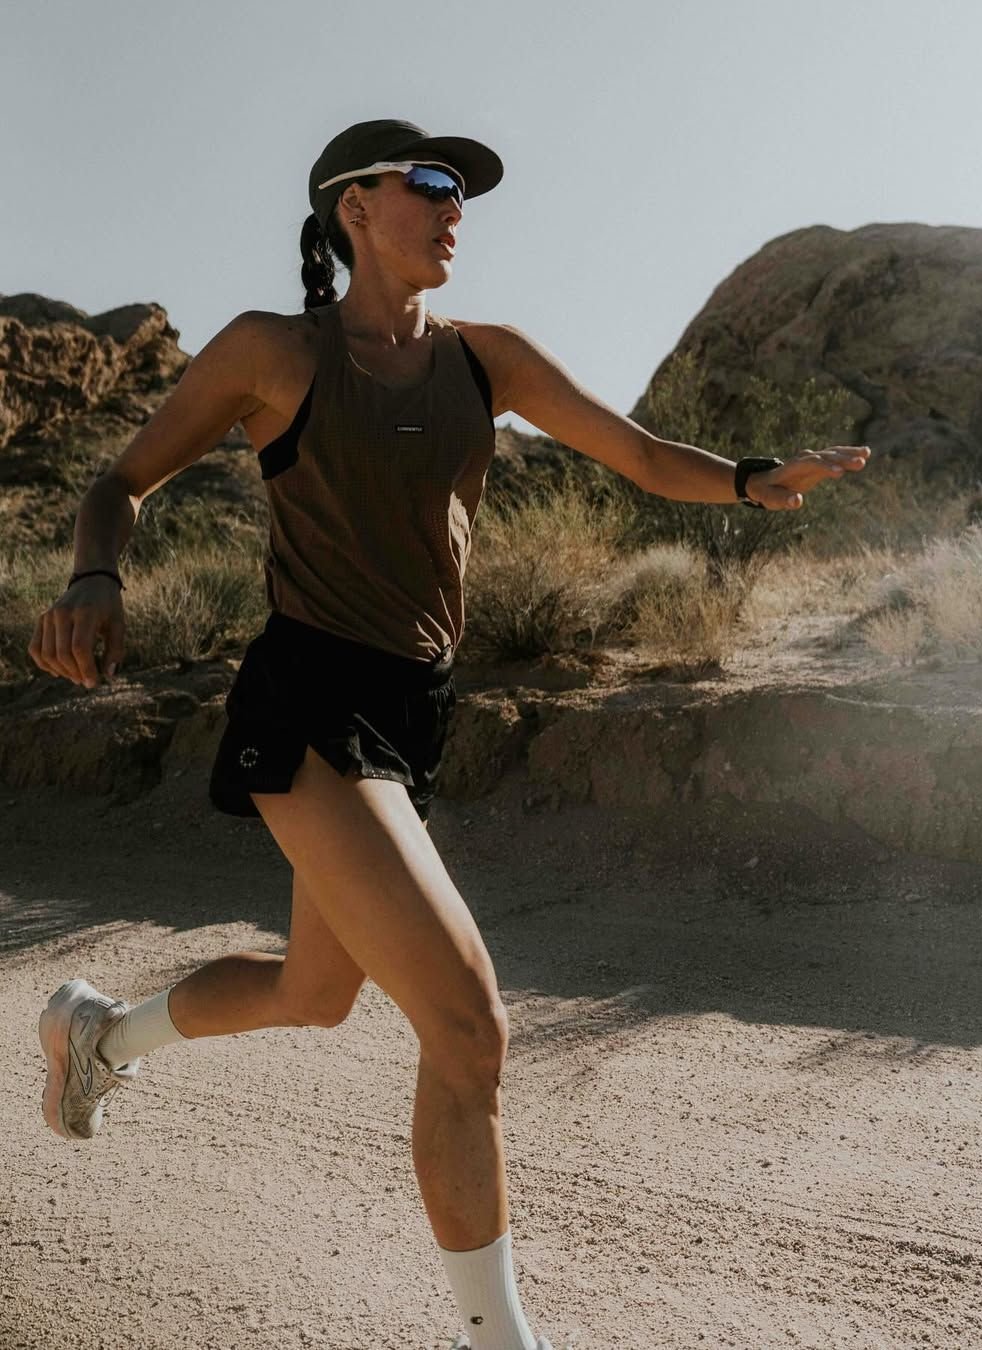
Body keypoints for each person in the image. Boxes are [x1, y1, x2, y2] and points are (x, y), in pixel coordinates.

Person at [28, 118, 871, 1350]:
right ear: (351, 209)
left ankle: (98, 1032)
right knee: (469, 1025)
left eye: (461, 188)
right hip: (309, 702)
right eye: (429, 184)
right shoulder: (276, 352)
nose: (454, 204)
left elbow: (637, 455)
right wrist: (96, 580)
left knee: (316, 995)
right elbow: (120, 482)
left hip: (412, 713)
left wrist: (751, 477)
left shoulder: (489, 359)